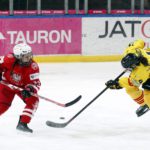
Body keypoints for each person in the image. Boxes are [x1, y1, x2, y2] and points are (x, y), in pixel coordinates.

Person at [0, 43, 41, 133]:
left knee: (34, 99)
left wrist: (30, 89)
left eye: (29, 55)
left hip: (22, 88)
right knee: (2, 106)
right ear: (18, 57)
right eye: (25, 56)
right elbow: (1, 66)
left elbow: (36, 83)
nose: (29, 58)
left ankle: (23, 123)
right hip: (7, 85)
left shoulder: (33, 67)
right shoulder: (9, 59)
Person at [105, 39, 150, 117]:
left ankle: (147, 103)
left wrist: (117, 83)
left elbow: (130, 83)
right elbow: (140, 42)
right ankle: (145, 103)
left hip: (147, 71)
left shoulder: (140, 72)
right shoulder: (131, 50)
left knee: (148, 96)